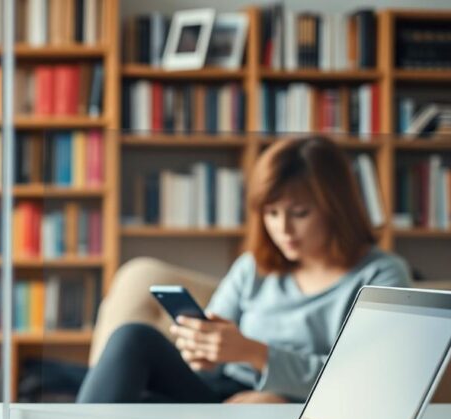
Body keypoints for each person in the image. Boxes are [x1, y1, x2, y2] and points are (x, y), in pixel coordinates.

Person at [77, 136, 410, 404]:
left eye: (299, 213)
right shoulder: (254, 266)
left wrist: (263, 365)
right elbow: (209, 357)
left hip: (298, 409)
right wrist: (204, 351)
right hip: (222, 394)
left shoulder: (381, 275)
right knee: (133, 339)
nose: (283, 229)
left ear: (336, 209)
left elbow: (365, 381)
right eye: (272, 213)